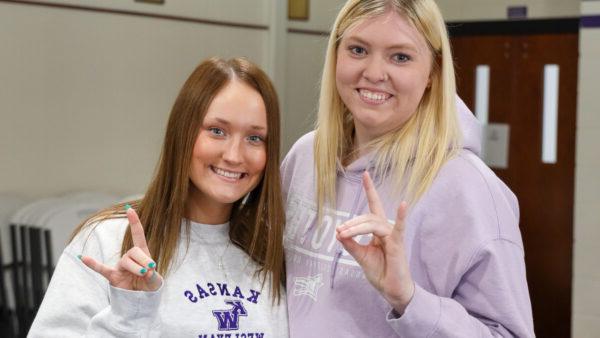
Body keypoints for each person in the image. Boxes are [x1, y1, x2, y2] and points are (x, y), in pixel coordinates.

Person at [281, 0, 534, 337]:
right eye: (357, 49)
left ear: (432, 72)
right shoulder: (305, 157)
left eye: (400, 57)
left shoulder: (470, 188)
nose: (373, 73)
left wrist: (409, 299)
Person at [29, 57, 289, 337]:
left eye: (254, 138)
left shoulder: (273, 249)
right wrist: (127, 316)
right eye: (217, 131)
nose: (234, 155)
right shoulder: (109, 240)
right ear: (182, 133)